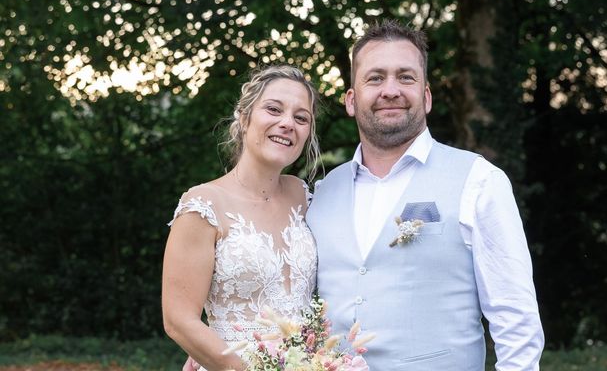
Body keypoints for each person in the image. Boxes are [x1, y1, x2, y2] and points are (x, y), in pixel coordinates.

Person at [306, 20, 544, 370]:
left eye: (406, 77)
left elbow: (516, 319)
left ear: (426, 96)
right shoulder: (322, 194)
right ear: (351, 101)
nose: (391, 90)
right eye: (375, 78)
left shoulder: (478, 180)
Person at [163, 65, 321, 371]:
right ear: (244, 117)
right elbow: (178, 321)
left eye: (301, 118)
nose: (287, 123)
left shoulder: (303, 197)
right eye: (274, 109)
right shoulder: (202, 205)